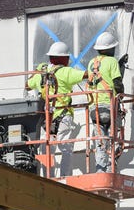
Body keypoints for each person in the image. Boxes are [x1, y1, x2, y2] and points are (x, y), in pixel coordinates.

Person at [26, 41, 87, 177]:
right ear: (64, 58)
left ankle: (49, 175)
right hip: (63, 115)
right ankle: (65, 175)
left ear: (50, 58)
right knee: (65, 147)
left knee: (47, 147)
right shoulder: (66, 71)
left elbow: (27, 85)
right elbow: (86, 75)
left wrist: (37, 72)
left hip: (47, 118)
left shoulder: (41, 74)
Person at [87, 32, 124, 173]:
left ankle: (101, 170)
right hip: (109, 107)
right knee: (116, 137)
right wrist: (121, 95)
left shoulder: (92, 63)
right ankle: (111, 168)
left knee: (100, 141)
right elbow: (117, 83)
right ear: (110, 49)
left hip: (94, 109)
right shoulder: (112, 62)